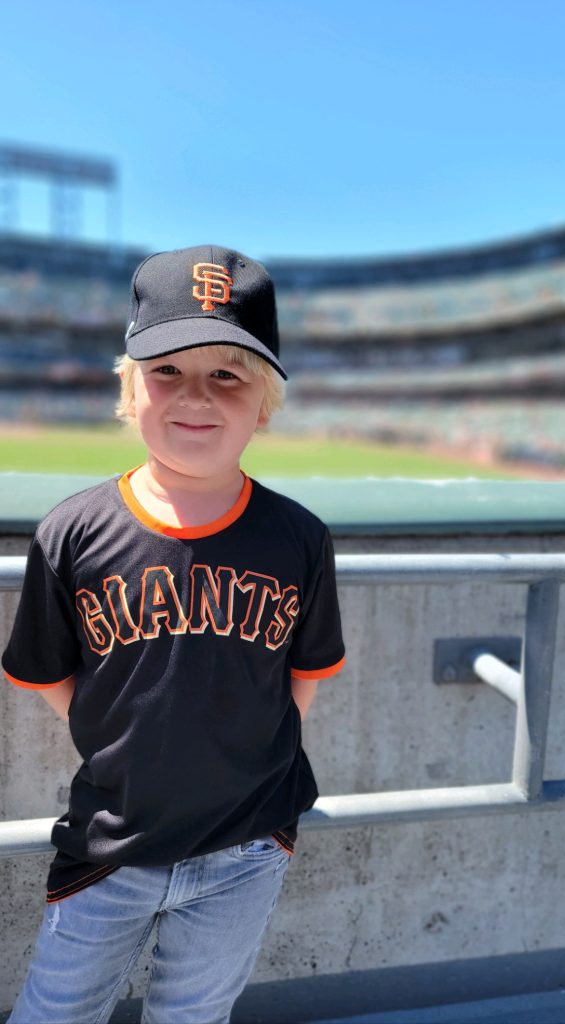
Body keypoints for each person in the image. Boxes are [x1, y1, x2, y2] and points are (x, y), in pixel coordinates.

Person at [2, 244, 346, 1024]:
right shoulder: (72, 531)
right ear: (130, 393)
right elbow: (50, 674)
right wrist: (121, 735)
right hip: (110, 845)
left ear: (263, 404)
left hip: (247, 847)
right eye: (166, 370)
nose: (196, 394)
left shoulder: (298, 537)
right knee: (54, 1014)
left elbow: (305, 676)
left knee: (193, 1018)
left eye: (228, 373)